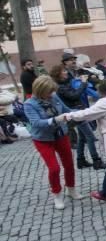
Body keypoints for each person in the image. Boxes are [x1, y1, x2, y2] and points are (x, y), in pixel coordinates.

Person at [24, 76, 80, 209]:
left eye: (52, 91)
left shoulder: (54, 97)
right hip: (43, 140)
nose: (51, 94)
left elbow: (67, 110)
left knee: (69, 164)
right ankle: (57, 194)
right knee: (54, 168)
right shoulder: (29, 104)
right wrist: (56, 120)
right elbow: (36, 123)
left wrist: (84, 112)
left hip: (60, 135)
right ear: (40, 90)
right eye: (49, 92)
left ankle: (71, 190)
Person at [50, 62, 104, 170]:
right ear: (58, 74)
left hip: (77, 112)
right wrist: (83, 83)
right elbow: (74, 96)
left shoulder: (65, 84)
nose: (66, 72)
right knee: (90, 137)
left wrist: (79, 81)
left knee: (82, 137)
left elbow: (74, 92)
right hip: (75, 113)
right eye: (64, 71)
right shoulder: (60, 87)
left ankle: (81, 160)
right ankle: (96, 161)